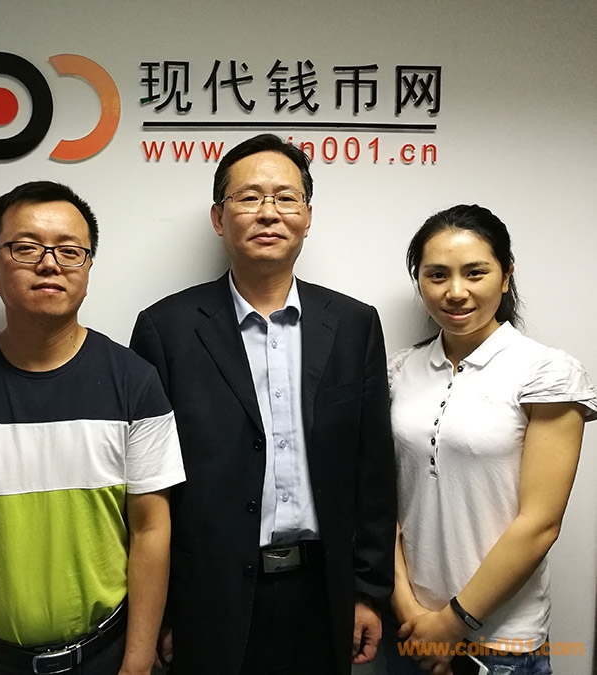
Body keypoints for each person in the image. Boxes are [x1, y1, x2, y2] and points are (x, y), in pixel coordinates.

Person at [129, 133, 396, 675]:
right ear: (218, 217)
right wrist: (163, 610)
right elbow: (149, 486)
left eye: (286, 198)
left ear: (308, 216)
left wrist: (367, 591)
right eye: (248, 197)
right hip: (209, 600)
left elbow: (373, 470)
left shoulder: (354, 324)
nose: (268, 212)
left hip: (323, 594)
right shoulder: (165, 329)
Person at [0, 180, 185, 675]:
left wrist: (137, 665)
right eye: (26, 248)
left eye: (69, 251)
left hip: (105, 655)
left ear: (88, 269)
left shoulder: (136, 383)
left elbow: (150, 529)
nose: (49, 264)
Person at [386, 204, 597, 675]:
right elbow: (386, 506)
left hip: (501, 645)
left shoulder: (547, 372)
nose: (455, 291)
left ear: (506, 277)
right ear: (419, 281)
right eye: (437, 275)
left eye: (475, 273)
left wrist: (451, 624)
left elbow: (540, 523)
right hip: (409, 633)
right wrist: (410, 612)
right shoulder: (399, 370)